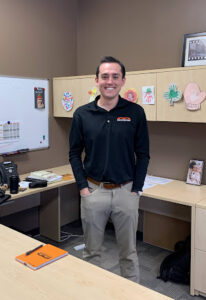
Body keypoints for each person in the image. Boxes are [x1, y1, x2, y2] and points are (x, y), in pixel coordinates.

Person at [69, 56, 150, 282]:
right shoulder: (82, 114)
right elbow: (74, 153)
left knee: (129, 253)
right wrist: (83, 188)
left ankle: (131, 294)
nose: (110, 81)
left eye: (115, 76)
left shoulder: (135, 112)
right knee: (92, 252)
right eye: (105, 76)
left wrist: (137, 189)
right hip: (94, 191)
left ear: (123, 81)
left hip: (126, 192)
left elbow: (143, 154)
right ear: (96, 80)